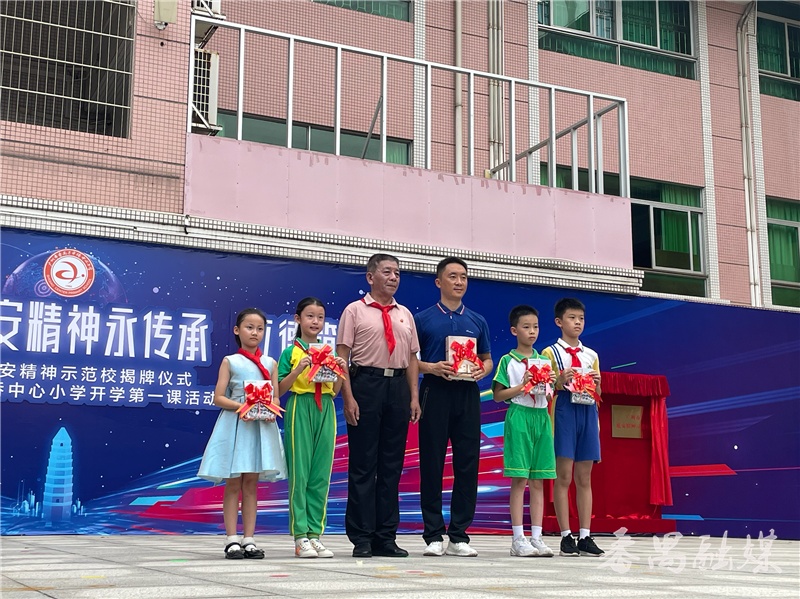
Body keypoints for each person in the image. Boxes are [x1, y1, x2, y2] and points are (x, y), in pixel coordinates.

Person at [336, 253, 422, 558]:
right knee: (363, 465)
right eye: (387, 272)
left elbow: (412, 357)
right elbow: (341, 357)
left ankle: (386, 536)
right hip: (365, 385)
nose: (394, 277)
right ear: (370, 277)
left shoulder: (405, 314)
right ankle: (361, 536)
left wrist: (413, 396)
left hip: (397, 387)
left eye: (397, 273)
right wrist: (348, 397)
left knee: (391, 466)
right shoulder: (354, 311)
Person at [414, 257, 492, 557]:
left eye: (463, 277)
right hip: (435, 391)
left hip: (467, 393)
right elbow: (411, 362)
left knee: (467, 463)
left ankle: (459, 534)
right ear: (438, 282)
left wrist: (482, 370)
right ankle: (433, 533)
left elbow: (487, 359)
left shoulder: (477, 320)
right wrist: (431, 368)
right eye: (452, 276)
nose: (459, 282)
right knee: (432, 463)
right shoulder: (422, 319)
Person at [197, 308, 287, 559]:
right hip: (236, 426)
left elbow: (276, 396)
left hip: (260, 427)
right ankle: (231, 539)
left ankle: (249, 538)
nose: (254, 332)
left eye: (259, 329)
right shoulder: (230, 361)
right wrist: (244, 406)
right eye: (249, 327)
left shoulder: (270, 363)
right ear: (237, 330)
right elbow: (218, 397)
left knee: (251, 483)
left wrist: (270, 408)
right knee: (233, 483)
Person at [278, 297, 348, 559]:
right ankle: (300, 537)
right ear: (298, 319)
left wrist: (341, 371)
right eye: (309, 316)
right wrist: (298, 370)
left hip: (326, 409)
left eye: (319, 317)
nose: (315, 322)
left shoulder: (328, 352)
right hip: (300, 406)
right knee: (301, 473)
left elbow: (336, 390)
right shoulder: (291, 352)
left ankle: (316, 535)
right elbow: (280, 390)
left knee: (321, 474)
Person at [541, 298, 604, 557]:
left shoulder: (592, 355)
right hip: (564, 409)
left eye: (581, 318)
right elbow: (543, 389)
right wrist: (558, 381)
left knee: (585, 477)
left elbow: (598, 392)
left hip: (588, 410)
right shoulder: (549, 353)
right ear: (559, 322)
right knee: (564, 476)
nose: (577, 322)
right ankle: (566, 535)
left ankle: (586, 535)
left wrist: (598, 382)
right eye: (571, 318)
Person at [491, 305, 557, 557]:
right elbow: (498, 395)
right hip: (519, 416)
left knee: (538, 479)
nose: (532, 332)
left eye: (536, 327)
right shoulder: (508, 361)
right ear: (514, 330)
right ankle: (518, 538)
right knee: (520, 479)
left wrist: (551, 382)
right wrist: (523, 385)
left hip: (541, 417)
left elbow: (551, 390)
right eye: (526, 327)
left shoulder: (545, 361)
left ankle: (537, 537)